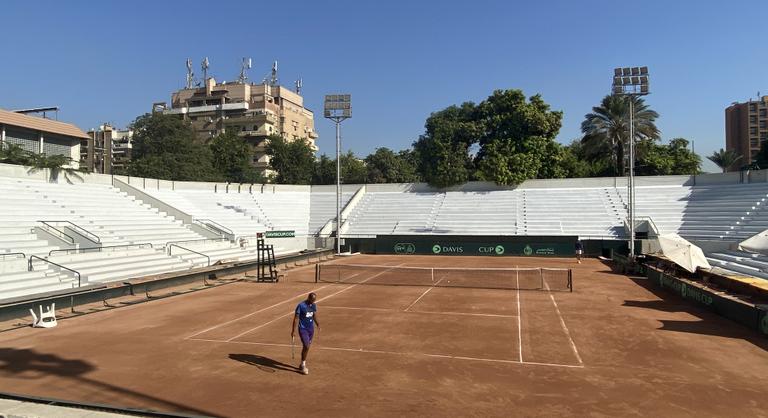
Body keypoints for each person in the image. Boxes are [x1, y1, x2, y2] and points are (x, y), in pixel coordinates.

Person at [291, 292, 319, 375]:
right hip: (303, 329)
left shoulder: (313, 305)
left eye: (314, 301)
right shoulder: (301, 306)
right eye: (312, 300)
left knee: (306, 347)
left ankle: (302, 363)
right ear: (309, 298)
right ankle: (303, 365)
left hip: (311, 329)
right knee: (306, 345)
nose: (313, 302)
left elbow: (314, 315)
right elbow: (296, 318)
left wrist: (317, 324)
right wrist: (293, 330)